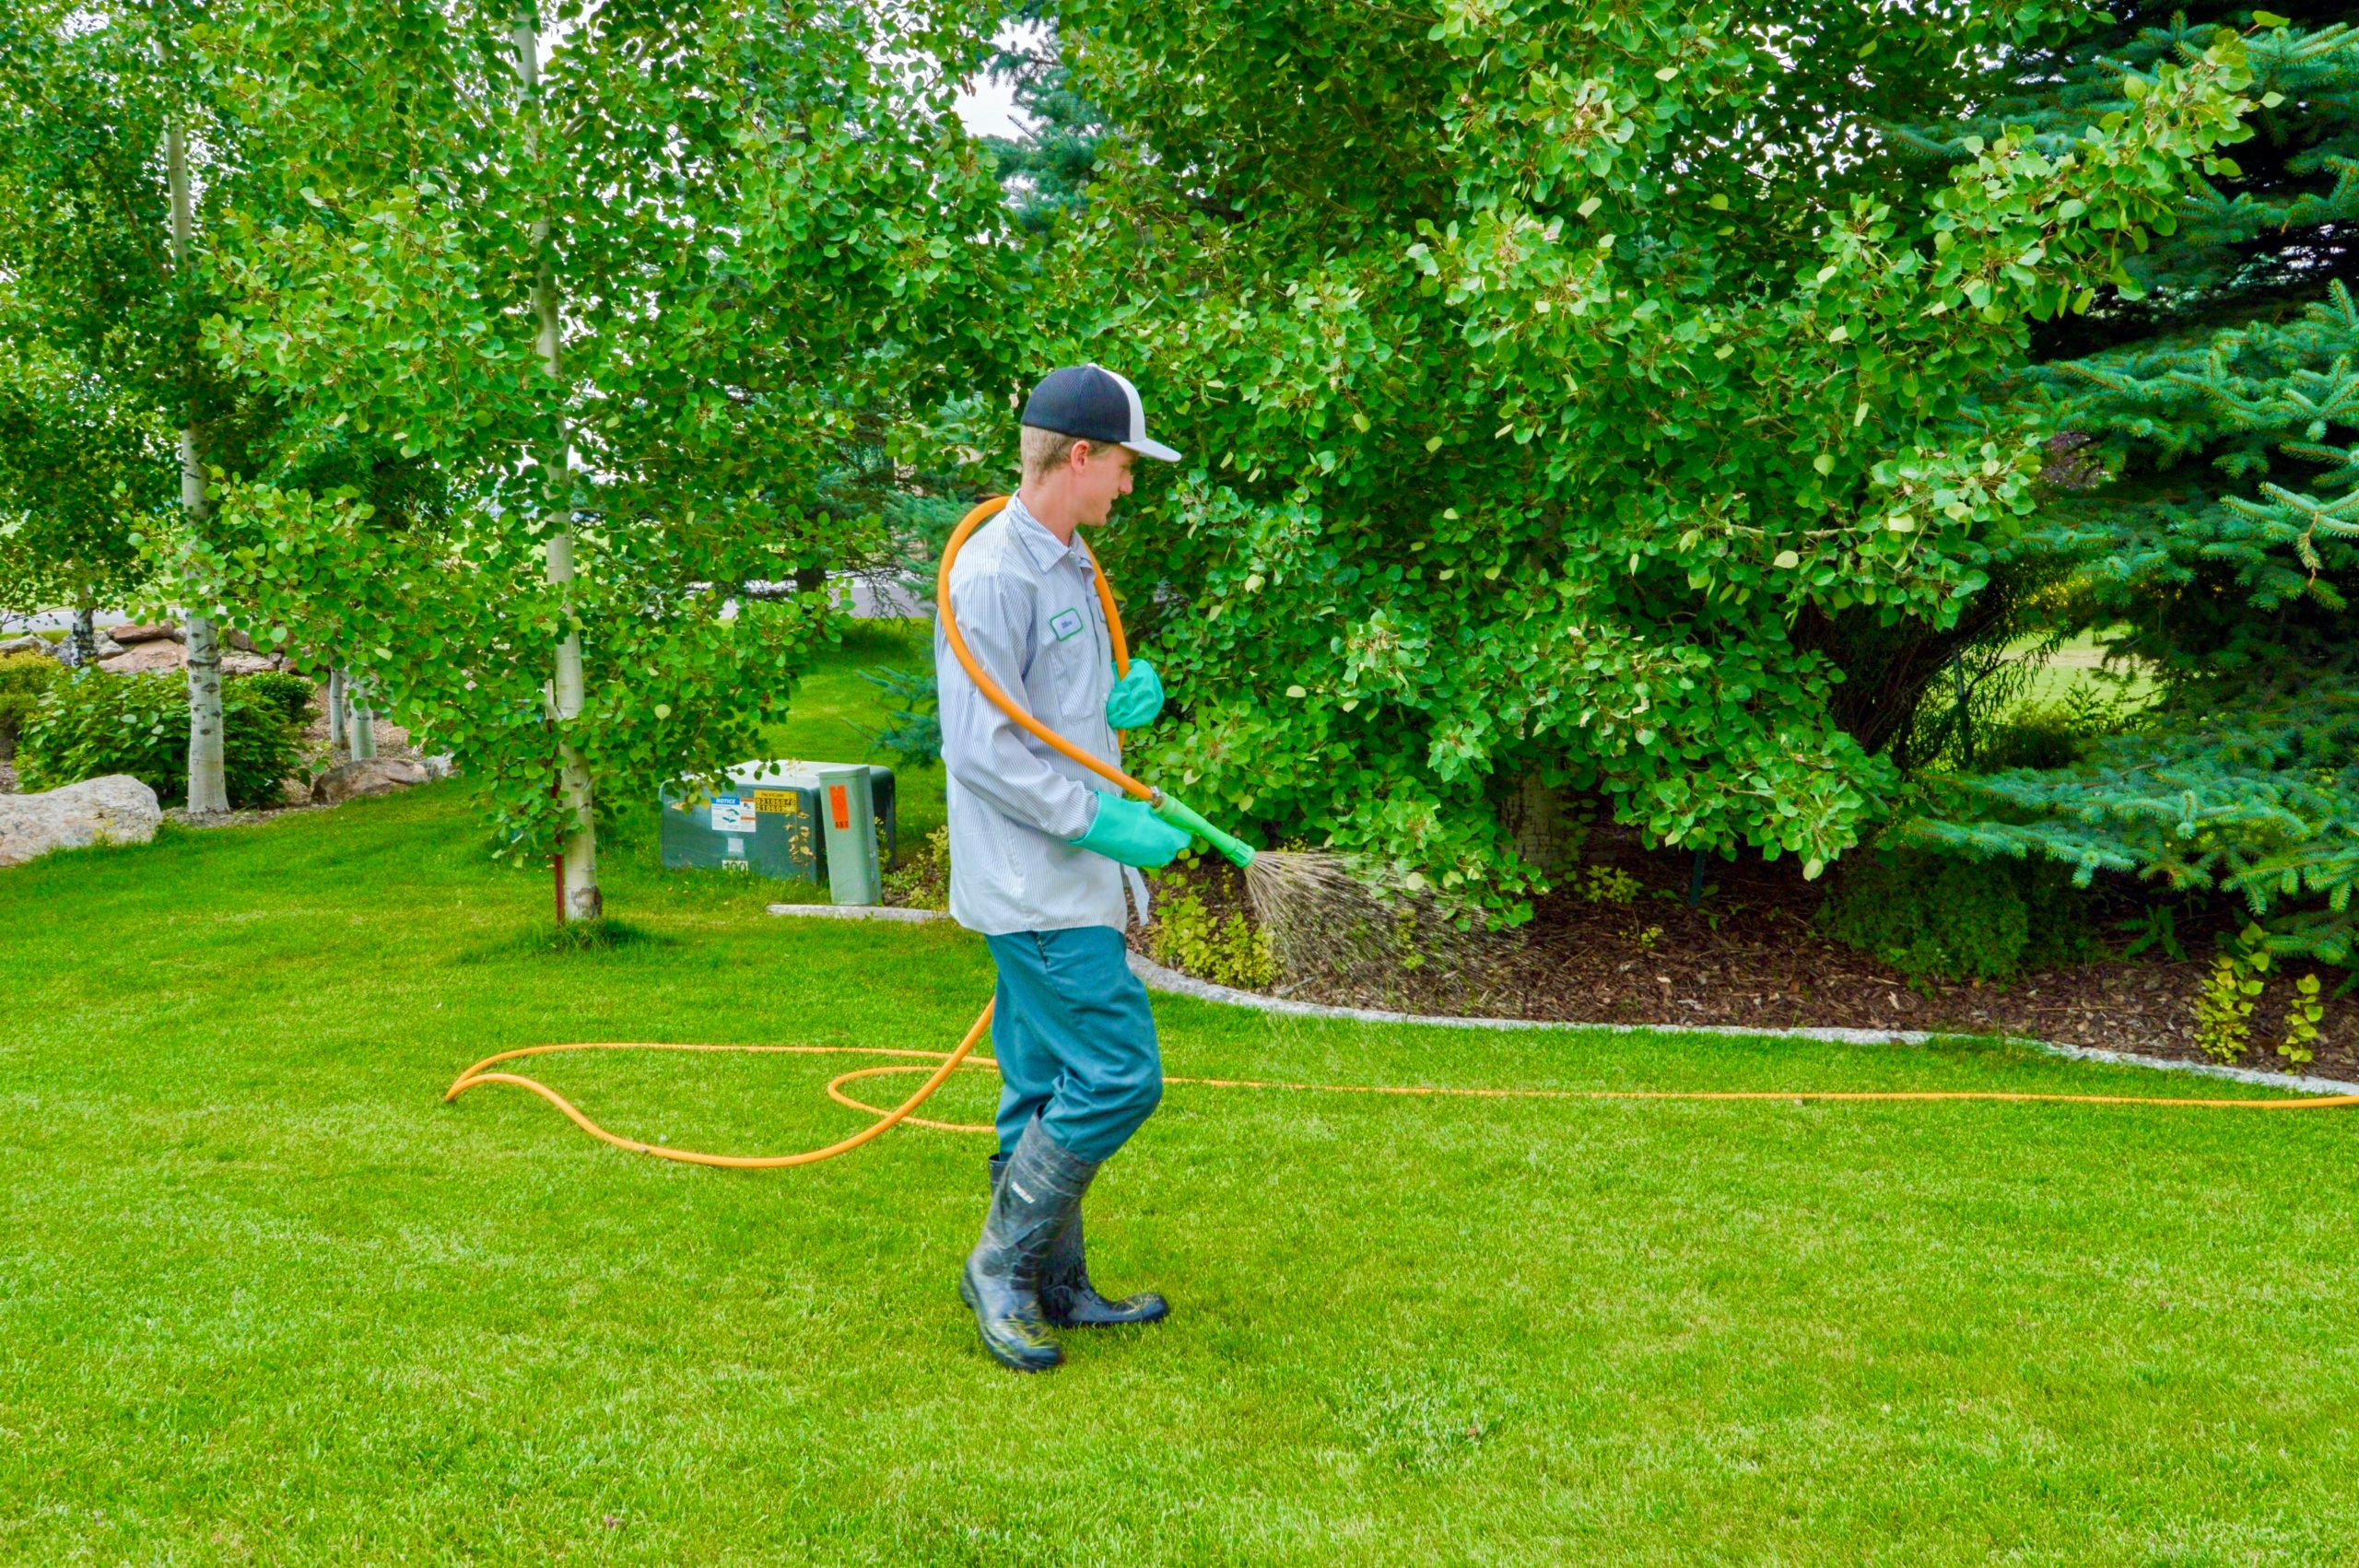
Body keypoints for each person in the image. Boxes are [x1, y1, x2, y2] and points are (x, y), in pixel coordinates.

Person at [935, 364, 1192, 1372]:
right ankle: (998, 1266)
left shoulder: (1068, 558)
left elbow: (1053, 712)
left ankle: (1055, 1282)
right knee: (1120, 1074)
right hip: (1034, 884)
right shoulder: (995, 573)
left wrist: (1123, 699)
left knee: (1041, 1079)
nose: (1128, 486)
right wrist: (1102, 822)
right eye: (1124, 467)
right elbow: (981, 749)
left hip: (1066, 875)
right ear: (1078, 455)